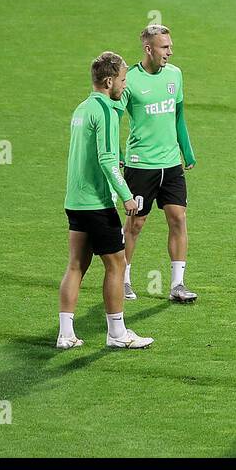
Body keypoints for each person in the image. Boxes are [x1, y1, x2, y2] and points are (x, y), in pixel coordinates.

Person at [58, 51, 153, 350]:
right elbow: (108, 159)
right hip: (96, 203)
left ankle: (65, 334)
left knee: (76, 265)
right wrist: (126, 196)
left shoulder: (82, 108)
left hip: (74, 200)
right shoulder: (107, 111)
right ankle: (117, 333)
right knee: (117, 264)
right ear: (109, 81)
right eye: (123, 80)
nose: (125, 86)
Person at [121, 24, 198, 304]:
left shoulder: (175, 75)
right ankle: (122, 279)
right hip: (141, 165)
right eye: (164, 47)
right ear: (148, 49)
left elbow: (178, 114)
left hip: (171, 164)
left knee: (178, 218)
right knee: (136, 224)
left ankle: (177, 285)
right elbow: (112, 116)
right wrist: (117, 152)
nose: (170, 52)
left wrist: (186, 151)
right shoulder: (128, 79)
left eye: (170, 46)